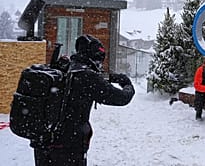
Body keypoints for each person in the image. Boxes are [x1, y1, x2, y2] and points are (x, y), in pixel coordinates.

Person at [31, 34, 135, 165]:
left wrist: (112, 77)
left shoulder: (65, 68)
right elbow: (122, 98)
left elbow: (96, 79)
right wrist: (127, 85)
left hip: (43, 142)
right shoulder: (87, 77)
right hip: (68, 147)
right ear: (94, 56)